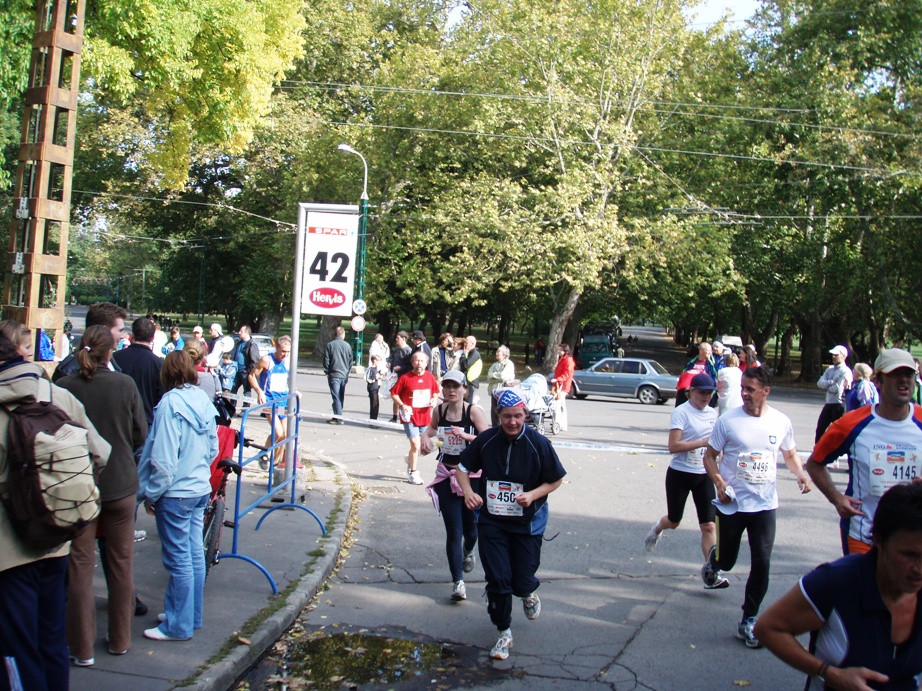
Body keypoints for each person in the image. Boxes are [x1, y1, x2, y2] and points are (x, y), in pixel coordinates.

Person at [0, 333, 109, 689]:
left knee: (16, 647)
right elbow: (100, 453)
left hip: (9, 554)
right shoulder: (58, 397)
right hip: (58, 539)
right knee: (51, 638)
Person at [754, 482, 922, 690]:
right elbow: (768, 628)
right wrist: (827, 672)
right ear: (879, 540)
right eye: (909, 555)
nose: (919, 569)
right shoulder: (838, 581)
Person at [701, 366, 812, 648]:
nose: (745, 394)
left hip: (764, 505)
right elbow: (710, 456)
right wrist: (718, 481)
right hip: (732, 505)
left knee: (762, 564)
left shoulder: (780, 421)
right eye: (743, 388)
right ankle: (714, 563)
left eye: (750, 389)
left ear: (766, 392)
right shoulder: (728, 421)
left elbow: (789, 454)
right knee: (728, 561)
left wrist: (800, 473)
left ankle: (749, 619)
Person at [57, 326, 147, 665]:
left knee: (79, 565)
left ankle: (80, 648)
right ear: (111, 352)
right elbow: (141, 431)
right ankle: (120, 640)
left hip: (78, 484)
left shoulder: (65, 388)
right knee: (121, 563)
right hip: (120, 482)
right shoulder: (124, 385)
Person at [456, 388, 567, 661]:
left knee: (521, 579)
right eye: (507, 416)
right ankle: (503, 632)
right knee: (498, 579)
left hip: (528, 524)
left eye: (518, 416)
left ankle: (528, 592)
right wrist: (469, 492)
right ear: (498, 415)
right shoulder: (486, 440)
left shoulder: (539, 444)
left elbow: (555, 480)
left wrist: (532, 495)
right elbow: (462, 468)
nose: (513, 422)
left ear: (525, 414)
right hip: (492, 521)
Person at [807, 348, 922, 556]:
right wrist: (836, 498)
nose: (903, 380)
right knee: (865, 589)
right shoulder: (851, 424)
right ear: (878, 381)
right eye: (895, 374)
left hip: (915, 537)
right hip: (864, 534)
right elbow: (815, 463)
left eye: (909, 374)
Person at [137, 350, 218, 642]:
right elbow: (212, 448)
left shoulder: (170, 404)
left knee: (179, 559)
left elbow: (163, 458)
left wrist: (151, 494)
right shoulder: (203, 400)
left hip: (176, 492)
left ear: (167, 373)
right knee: (194, 553)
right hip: (199, 488)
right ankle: (188, 614)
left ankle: (178, 625)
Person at [420, 370, 490, 601]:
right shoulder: (439, 410)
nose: (451, 390)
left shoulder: (473, 412)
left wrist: (466, 437)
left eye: (456, 386)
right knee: (454, 531)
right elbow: (431, 429)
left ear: (464, 389)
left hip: (472, 478)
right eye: (447, 386)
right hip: (446, 475)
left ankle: (469, 550)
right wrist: (425, 439)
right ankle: (458, 583)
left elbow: (489, 439)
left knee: (471, 530)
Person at [645, 373, 720, 565]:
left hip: (704, 474)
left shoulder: (713, 414)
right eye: (702, 393)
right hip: (680, 473)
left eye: (710, 393)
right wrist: (702, 442)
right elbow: (673, 446)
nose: (706, 397)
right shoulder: (681, 412)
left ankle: (711, 569)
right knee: (674, 521)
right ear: (691, 392)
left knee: (709, 526)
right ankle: (657, 528)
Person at [390, 351, 441, 485]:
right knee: (415, 444)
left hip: (425, 416)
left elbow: (435, 391)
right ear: (412, 362)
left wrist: (434, 400)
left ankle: (410, 457)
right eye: (416, 361)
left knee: (428, 446)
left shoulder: (430, 377)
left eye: (422, 361)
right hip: (410, 417)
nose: (419, 364)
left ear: (427, 363)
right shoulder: (405, 378)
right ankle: (413, 473)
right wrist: (402, 405)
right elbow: (394, 394)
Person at [248, 335, 295, 468]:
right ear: (277, 348)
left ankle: (274, 463)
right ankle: (264, 452)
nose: (285, 355)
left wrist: (295, 390)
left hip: (284, 401)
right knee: (278, 432)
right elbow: (251, 376)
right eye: (282, 352)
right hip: (269, 402)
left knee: (285, 435)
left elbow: (288, 380)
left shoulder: (288, 361)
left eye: (287, 352)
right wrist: (259, 391)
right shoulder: (266, 360)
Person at [53, 301, 128, 382]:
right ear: (103, 330)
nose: (122, 336)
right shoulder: (68, 370)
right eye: (120, 331)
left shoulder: (113, 362)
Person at [112, 317, 164, 430]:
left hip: (118, 421)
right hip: (146, 422)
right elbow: (160, 398)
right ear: (153, 337)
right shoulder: (158, 364)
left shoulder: (115, 358)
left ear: (132, 334)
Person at [815, 345, 853, 443]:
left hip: (839, 404)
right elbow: (819, 383)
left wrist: (827, 387)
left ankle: (834, 455)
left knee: (836, 431)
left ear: (844, 356)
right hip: (829, 403)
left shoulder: (846, 371)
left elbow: (838, 388)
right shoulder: (830, 369)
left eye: (836, 355)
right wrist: (830, 382)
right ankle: (817, 451)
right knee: (820, 429)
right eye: (833, 355)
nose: (834, 357)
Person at [323, 326, 353, 425]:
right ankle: (337, 415)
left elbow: (326, 360)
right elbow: (350, 361)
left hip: (334, 374)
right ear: (343, 334)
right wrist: (347, 371)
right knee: (340, 396)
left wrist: (327, 371)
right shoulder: (347, 346)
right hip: (344, 374)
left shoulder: (330, 345)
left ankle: (339, 418)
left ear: (336, 334)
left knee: (336, 396)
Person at [676, 342, 718, 407]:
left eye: (711, 350)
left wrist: (712, 393)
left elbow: (715, 379)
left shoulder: (711, 365)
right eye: (708, 350)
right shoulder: (691, 363)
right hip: (691, 394)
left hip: (705, 394)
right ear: (701, 351)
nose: (710, 352)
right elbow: (684, 376)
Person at [486, 345, 516, 425]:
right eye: (497, 351)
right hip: (494, 391)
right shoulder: (495, 364)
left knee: (503, 410)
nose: (496, 353)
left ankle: (503, 427)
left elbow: (504, 376)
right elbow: (488, 376)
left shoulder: (509, 364)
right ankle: (494, 428)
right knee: (494, 410)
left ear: (505, 355)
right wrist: (497, 376)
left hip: (504, 391)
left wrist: (494, 375)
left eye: (499, 352)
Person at [232, 325, 261, 402]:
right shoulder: (239, 343)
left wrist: (248, 370)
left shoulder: (251, 344)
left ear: (247, 332)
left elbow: (254, 360)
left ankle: (245, 410)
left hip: (245, 372)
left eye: (241, 331)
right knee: (233, 389)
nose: (239, 333)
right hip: (237, 371)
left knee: (246, 391)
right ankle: (231, 408)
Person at [550, 343, 575, 431]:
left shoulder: (568, 361)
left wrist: (558, 379)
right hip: (559, 384)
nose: (558, 351)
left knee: (558, 404)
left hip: (563, 385)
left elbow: (567, 374)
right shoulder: (562, 359)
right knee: (561, 405)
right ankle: (563, 425)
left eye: (560, 350)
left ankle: (558, 424)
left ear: (565, 351)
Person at [389, 331, 412, 422]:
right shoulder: (397, 349)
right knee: (395, 395)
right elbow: (391, 358)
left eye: (398, 338)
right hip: (395, 376)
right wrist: (389, 363)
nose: (396, 339)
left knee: (403, 398)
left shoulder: (408, 351)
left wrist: (401, 368)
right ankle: (394, 417)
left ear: (404, 338)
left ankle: (405, 416)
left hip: (404, 377)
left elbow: (410, 366)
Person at [460, 335, 482, 405]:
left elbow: (465, 365)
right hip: (466, 382)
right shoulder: (470, 353)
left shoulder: (475, 354)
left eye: (466, 342)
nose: (465, 344)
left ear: (472, 344)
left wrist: (465, 353)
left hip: (471, 383)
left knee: (467, 404)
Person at [365, 353, 386, 420]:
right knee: (374, 404)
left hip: (376, 388)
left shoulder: (377, 369)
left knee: (376, 404)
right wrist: (375, 379)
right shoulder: (370, 369)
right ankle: (373, 419)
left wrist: (381, 376)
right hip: (372, 388)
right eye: (378, 361)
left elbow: (379, 377)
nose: (379, 363)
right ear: (374, 361)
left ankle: (374, 419)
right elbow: (367, 378)